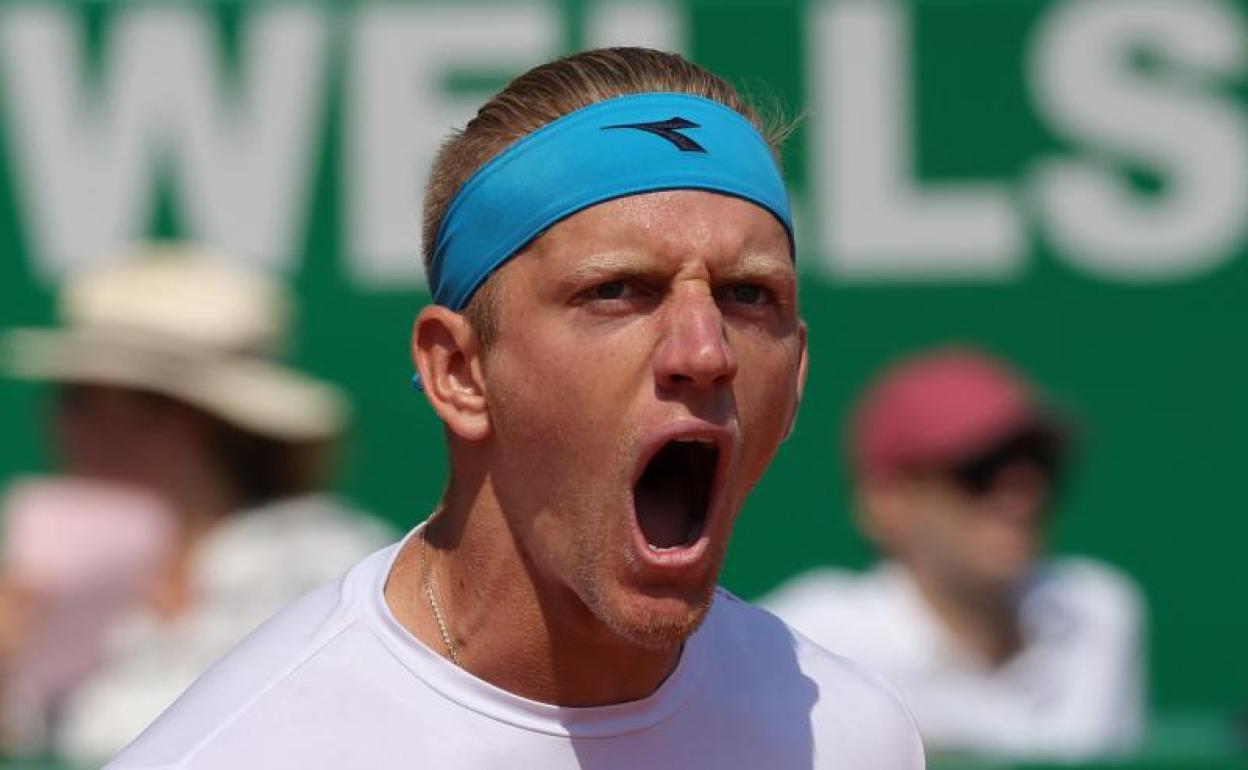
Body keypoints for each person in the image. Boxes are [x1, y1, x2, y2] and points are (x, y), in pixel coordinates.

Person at [106, 48, 925, 769]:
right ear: (459, 371)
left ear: (798, 372)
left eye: (748, 294)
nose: (705, 351)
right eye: (618, 291)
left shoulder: (854, 737)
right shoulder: (236, 754)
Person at [0, 245, 394, 762]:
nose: (77, 425)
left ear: (208, 424)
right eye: (73, 397)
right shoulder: (29, 567)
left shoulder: (339, 569)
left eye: (132, 404)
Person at [764, 347, 1146, 760]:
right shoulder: (804, 640)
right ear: (886, 501)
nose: (1020, 496)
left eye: (1037, 464)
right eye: (979, 471)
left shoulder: (1100, 612)